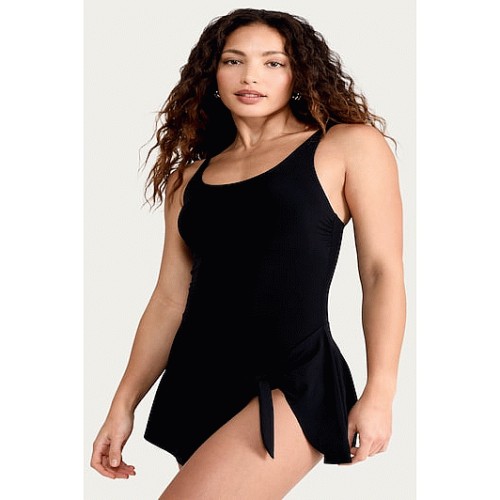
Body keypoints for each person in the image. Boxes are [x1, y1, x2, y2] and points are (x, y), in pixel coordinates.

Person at [91, 8, 406, 499]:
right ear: (213, 74)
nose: (250, 76)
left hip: (293, 380)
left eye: (273, 63)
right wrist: (123, 404)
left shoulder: (347, 146)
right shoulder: (187, 180)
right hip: (198, 382)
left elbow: (381, 272)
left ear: (298, 74)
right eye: (233, 61)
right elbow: (170, 299)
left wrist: (380, 391)